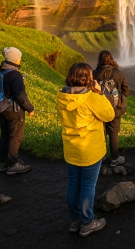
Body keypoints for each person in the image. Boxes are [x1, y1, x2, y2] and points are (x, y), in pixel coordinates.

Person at [56, 62, 114, 237]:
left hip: (71, 148)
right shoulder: (91, 97)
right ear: (88, 78)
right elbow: (109, 114)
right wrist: (100, 93)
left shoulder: (61, 96)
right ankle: (87, 222)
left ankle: (75, 221)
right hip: (90, 149)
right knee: (88, 185)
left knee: (73, 184)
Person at [0, 47, 35, 175]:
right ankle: (13, 165)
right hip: (13, 110)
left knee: (5, 136)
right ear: (15, 59)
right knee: (15, 137)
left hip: (0, 109)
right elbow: (20, 96)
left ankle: (3, 163)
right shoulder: (15, 74)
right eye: (19, 57)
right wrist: (30, 108)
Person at [92, 50, 129, 168]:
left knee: (101, 132)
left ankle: (101, 157)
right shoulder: (118, 73)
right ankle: (114, 158)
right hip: (115, 108)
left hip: (99, 107)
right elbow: (126, 91)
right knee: (113, 133)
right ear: (111, 59)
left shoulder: (93, 74)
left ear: (99, 60)